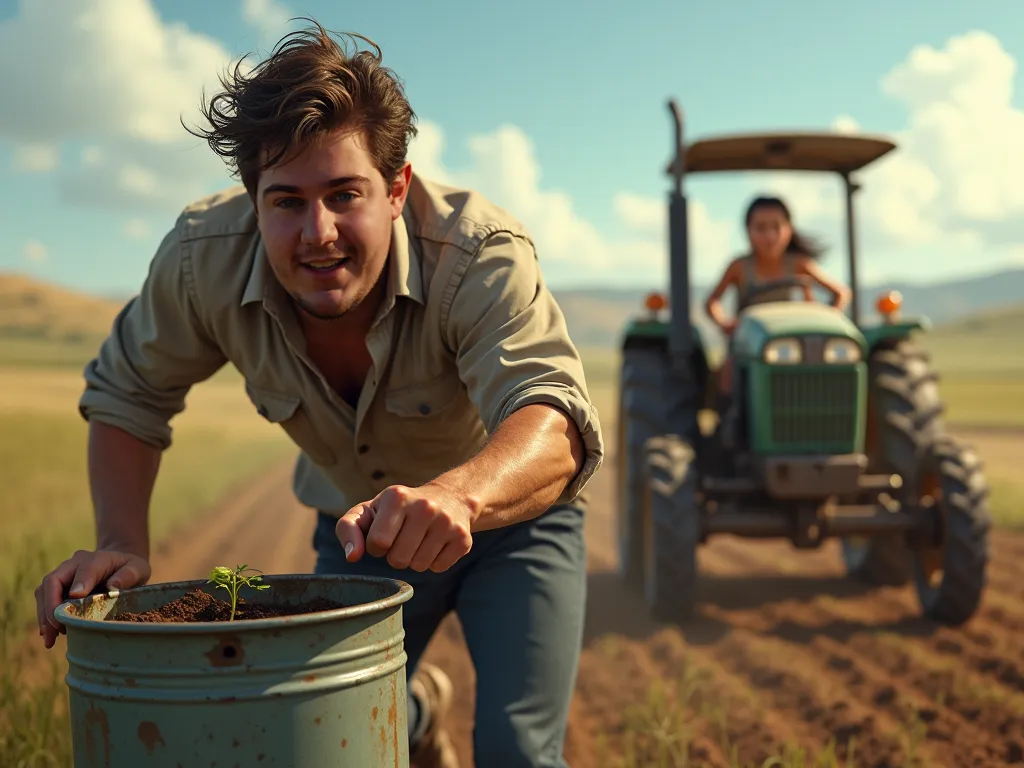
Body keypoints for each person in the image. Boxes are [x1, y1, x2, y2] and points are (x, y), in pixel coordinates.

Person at [32, 21, 603, 768]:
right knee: (322, 744)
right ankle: (420, 707)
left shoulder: (478, 254)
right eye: (287, 201)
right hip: (360, 534)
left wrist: (461, 496)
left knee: (517, 751)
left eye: (345, 194)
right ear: (252, 197)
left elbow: (552, 411)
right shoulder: (201, 260)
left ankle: (423, 709)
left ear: (396, 189)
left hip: (518, 524)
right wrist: (120, 544)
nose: (318, 233)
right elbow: (128, 394)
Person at [704, 195, 851, 400]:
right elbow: (712, 301)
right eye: (761, 228)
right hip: (748, 341)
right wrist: (724, 324)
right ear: (748, 231)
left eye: (776, 227)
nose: (770, 236)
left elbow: (841, 293)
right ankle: (730, 416)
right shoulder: (740, 266)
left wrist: (827, 318)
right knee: (728, 374)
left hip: (789, 342)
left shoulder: (799, 264)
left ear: (789, 230)